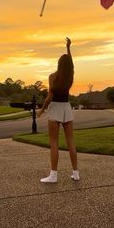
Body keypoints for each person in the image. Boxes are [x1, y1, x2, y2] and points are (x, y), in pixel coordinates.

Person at [38, 37, 79, 183]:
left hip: (55, 108)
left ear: (58, 64)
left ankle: (53, 175)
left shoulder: (53, 77)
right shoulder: (70, 76)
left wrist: (42, 110)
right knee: (71, 141)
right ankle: (76, 173)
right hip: (66, 107)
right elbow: (71, 64)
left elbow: (49, 97)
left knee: (54, 142)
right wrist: (68, 48)